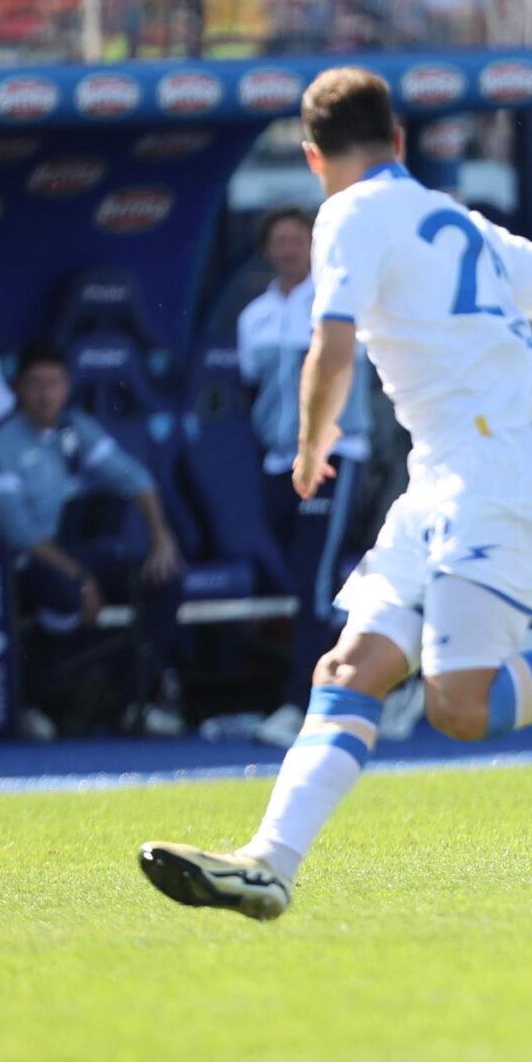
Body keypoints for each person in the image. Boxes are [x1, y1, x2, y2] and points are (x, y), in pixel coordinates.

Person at [139, 68, 532, 922]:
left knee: (459, 706)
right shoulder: (459, 223)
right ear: (398, 142)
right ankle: (270, 864)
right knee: (349, 668)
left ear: (313, 156)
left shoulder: (347, 212)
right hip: (446, 474)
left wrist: (311, 439)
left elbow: (332, 340)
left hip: (496, 472)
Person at [0, 343, 187, 732]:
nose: (45, 393)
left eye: (54, 383)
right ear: (17, 389)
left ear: (67, 386)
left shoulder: (74, 426)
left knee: (166, 580)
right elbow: (19, 534)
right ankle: (35, 704)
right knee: (64, 594)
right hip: (16, 564)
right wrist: (81, 577)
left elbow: (136, 479)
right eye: (35, 384)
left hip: (70, 554)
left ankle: (129, 702)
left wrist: (161, 538)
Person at [237, 207, 373, 743]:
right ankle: (389, 666)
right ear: (267, 248)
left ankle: (306, 707)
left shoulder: (339, 301)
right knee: (307, 580)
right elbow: (255, 390)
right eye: (281, 239)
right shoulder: (254, 317)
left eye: (299, 239)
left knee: (313, 586)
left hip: (335, 457)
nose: (290, 248)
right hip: (277, 462)